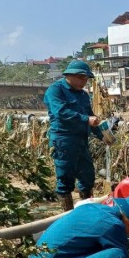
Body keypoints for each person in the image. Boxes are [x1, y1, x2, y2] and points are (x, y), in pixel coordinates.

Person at [44, 60, 108, 211]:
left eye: (86, 79)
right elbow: (60, 112)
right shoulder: (55, 90)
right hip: (63, 139)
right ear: (69, 75)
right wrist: (86, 119)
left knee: (88, 176)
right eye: (81, 78)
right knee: (65, 177)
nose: (84, 82)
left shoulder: (83, 95)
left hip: (81, 140)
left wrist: (101, 135)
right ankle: (67, 214)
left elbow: (90, 117)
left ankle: (86, 211)